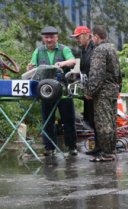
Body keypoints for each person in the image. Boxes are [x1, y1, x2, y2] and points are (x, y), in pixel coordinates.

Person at [28, 26, 78, 156]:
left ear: (57, 37)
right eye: (46, 37)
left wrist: (63, 64)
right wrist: (30, 67)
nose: (49, 39)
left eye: (52, 37)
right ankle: (49, 148)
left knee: (68, 120)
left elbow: (73, 61)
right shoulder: (38, 51)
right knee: (47, 121)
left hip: (64, 93)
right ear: (43, 38)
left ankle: (72, 147)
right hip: (46, 93)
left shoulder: (64, 49)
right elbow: (32, 67)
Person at [85, 25, 120, 162]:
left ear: (96, 36)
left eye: (92, 36)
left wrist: (90, 91)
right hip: (112, 90)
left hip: (103, 93)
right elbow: (118, 72)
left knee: (103, 123)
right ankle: (111, 150)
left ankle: (107, 153)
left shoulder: (99, 50)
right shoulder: (111, 48)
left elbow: (96, 74)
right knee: (111, 122)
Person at [70, 25, 99, 155]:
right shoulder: (84, 50)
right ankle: (98, 146)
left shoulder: (95, 49)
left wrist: (91, 91)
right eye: (75, 38)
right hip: (87, 90)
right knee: (90, 119)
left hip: (94, 92)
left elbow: (96, 73)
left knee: (98, 120)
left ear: (87, 35)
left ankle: (102, 147)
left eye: (78, 37)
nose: (77, 40)